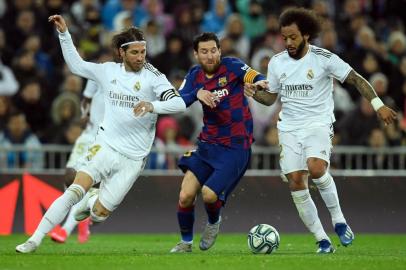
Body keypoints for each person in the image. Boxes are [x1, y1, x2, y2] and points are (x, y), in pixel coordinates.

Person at [16, 14, 186, 253]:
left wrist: (152, 105)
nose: (141, 58)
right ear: (121, 53)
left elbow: (179, 104)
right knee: (74, 190)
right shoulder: (107, 71)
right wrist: (64, 35)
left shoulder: (154, 77)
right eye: (135, 53)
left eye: (143, 52)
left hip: (134, 159)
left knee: (98, 215)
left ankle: (93, 202)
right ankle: (34, 239)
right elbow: (76, 66)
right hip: (105, 145)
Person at [244, 7, 397, 254]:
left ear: (306, 35)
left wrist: (378, 105)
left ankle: (338, 220)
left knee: (316, 168)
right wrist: (255, 94)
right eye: (284, 37)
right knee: (296, 181)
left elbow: (356, 79)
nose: (288, 42)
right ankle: (322, 240)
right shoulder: (276, 62)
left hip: (318, 122)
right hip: (289, 127)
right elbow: (271, 98)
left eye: (293, 37)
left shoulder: (324, 58)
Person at [169, 32, 267, 253]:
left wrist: (261, 83)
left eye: (213, 50)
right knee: (185, 195)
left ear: (220, 51)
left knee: (209, 194)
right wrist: (198, 93)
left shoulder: (232, 66)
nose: (210, 55)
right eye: (204, 51)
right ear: (196, 54)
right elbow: (179, 101)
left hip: (235, 147)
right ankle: (185, 243)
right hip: (208, 145)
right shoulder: (194, 75)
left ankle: (214, 222)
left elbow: (255, 76)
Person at [49, 80, 103, 244]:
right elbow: (85, 102)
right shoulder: (96, 80)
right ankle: (83, 219)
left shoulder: (122, 89)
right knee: (69, 179)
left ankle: (65, 230)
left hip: (102, 140)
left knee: (81, 188)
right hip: (86, 136)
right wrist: (84, 115)